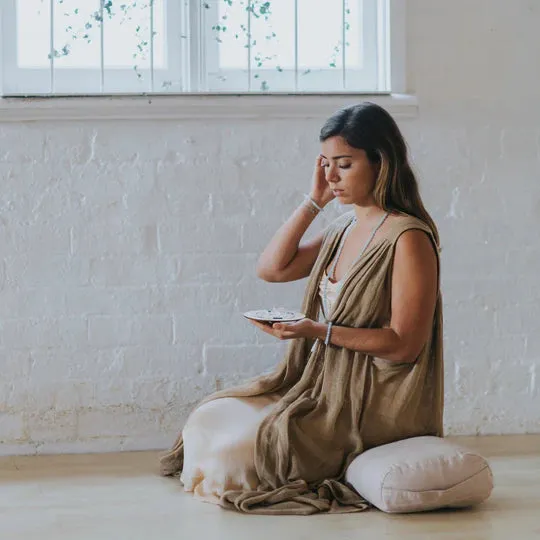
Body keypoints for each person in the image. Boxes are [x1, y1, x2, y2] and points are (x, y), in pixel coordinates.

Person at [159, 102, 443, 515]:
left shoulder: (408, 238)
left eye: (344, 164)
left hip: (372, 401)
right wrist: (315, 200)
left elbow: (404, 345)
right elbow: (271, 268)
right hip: (322, 383)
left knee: (234, 453)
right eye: (325, 164)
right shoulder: (344, 226)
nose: (331, 176)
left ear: (381, 162)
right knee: (210, 416)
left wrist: (316, 331)